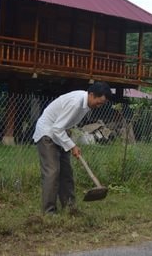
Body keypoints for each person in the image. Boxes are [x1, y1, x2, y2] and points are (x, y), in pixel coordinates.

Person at [33, 81, 111, 214]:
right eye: (99, 102)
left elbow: (64, 126)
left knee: (66, 173)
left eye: (102, 104)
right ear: (91, 95)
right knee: (52, 173)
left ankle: (70, 208)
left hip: (60, 134)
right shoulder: (75, 103)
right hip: (47, 134)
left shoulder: (86, 104)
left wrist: (70, 143)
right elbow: (56, 128)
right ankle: (49, 212)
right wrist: (72, 145)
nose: (99, 106)